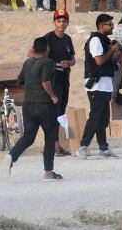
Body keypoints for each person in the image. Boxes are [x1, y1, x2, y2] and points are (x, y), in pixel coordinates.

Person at [1, 37, 61, 180]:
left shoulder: (28, 63)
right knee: (50, 136)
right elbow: (45, 80)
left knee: (28, 137)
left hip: (28, 105)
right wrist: (52, 96)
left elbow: (20, 81)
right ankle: (48, 171)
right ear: (47, 49)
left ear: (33, 49)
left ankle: (10, 157)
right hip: (45, 106)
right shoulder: (48, 62)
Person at [78, 14, 122, 159]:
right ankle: (83, 146)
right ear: (101, 26)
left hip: (105, 84)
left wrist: (115, 52)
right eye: (109, 24)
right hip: (96, 85)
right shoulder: (96, 39)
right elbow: (99, 61)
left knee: (103, 118)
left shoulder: (104, 40)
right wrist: (111, 50)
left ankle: (103, 148)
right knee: (95, 116)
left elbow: (109, 60)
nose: (112, 27)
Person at [44, 10, 75, 157]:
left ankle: (59, 144)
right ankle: (55, 145)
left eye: (64, 21)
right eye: (58, 21)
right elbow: (32, 53)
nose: (61, 24)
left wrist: (68, 62)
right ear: (54, 22)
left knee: (61, 111)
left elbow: (73, 59)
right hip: (53, 78)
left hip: (64, 78)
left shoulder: (67, 39)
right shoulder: (48, 38)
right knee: (55, 112)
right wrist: (51, 63)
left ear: (68, 23)